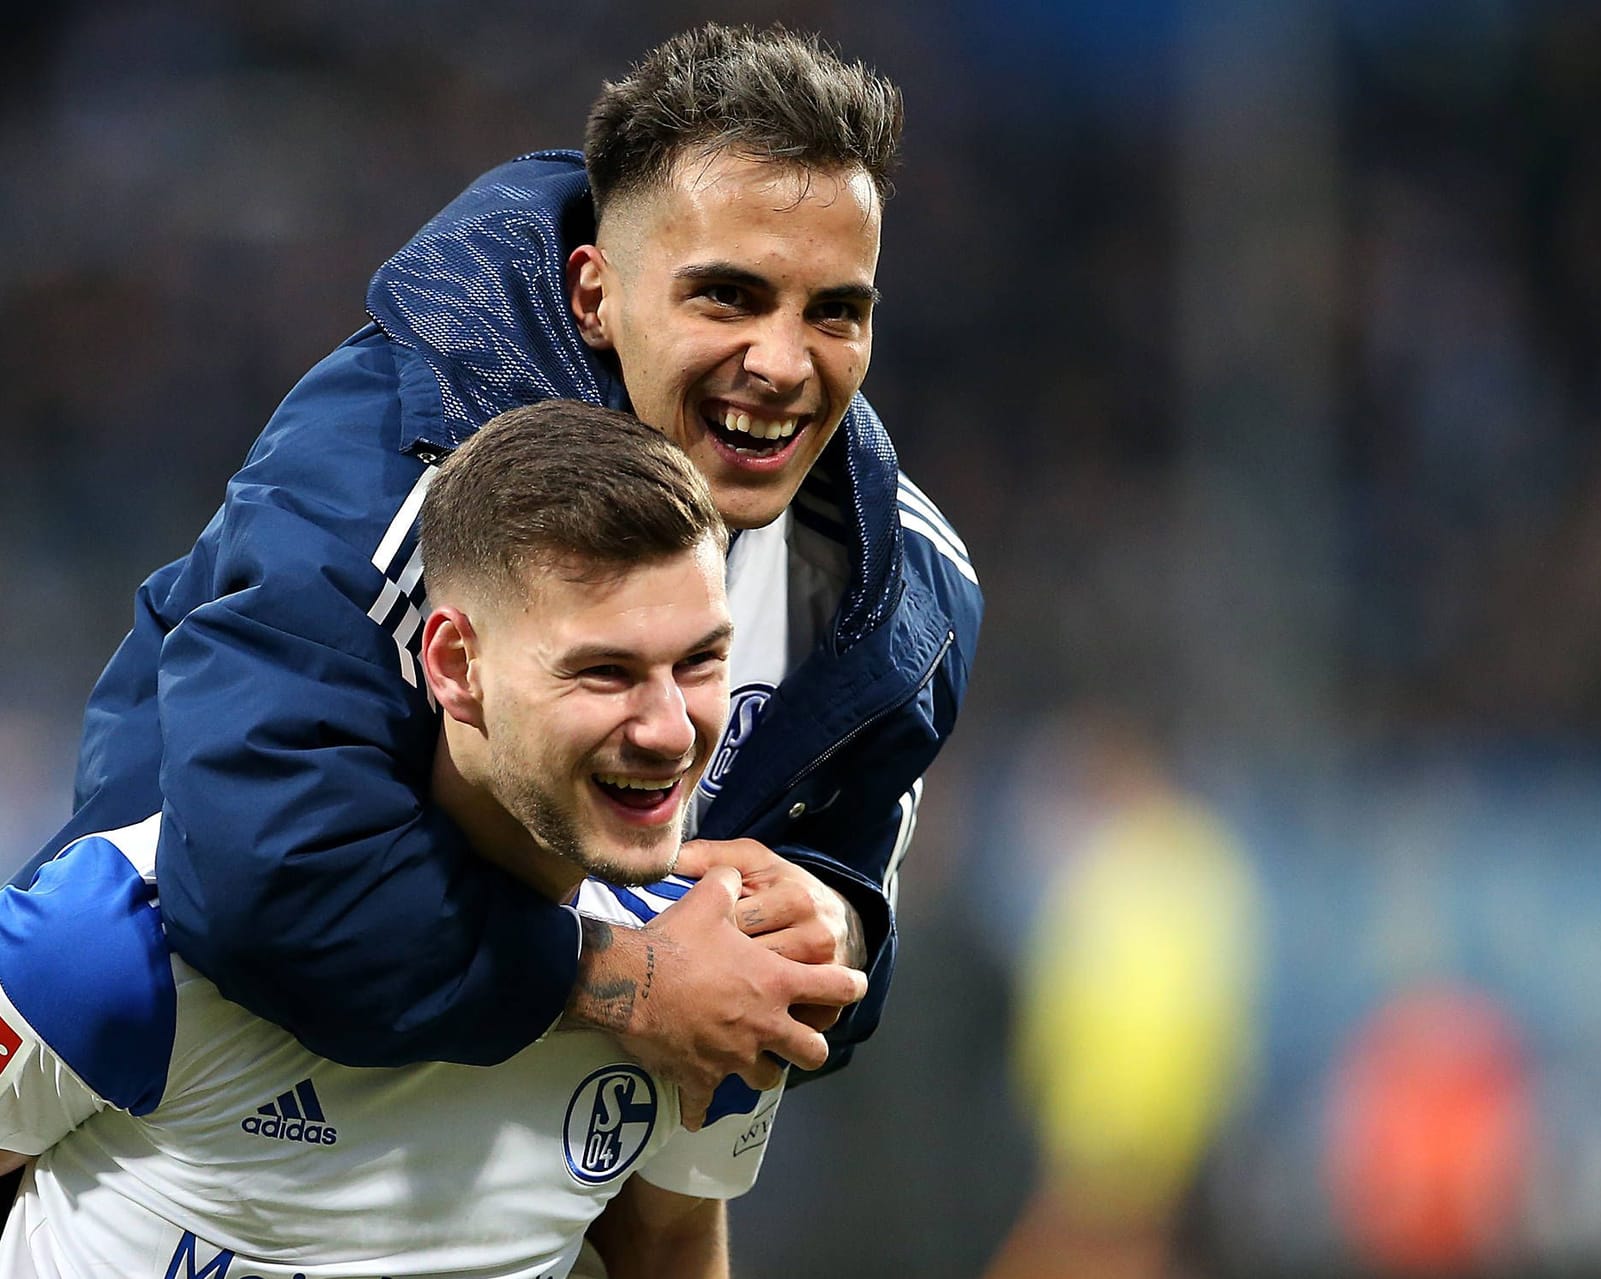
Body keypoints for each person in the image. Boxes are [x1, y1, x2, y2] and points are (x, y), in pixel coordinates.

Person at [24, 23, 982, 1118]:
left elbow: (844, 926)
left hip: (537, 1157)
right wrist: (626, 980)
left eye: (835, 313)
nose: (780, 363)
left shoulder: (902, 598)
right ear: (595, 296)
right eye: (726, 297)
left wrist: (833, 929)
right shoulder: (387, 470)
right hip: (198, 1115)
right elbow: (255, 871)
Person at [0, 401, 834, 1277]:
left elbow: (665, 1246)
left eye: (699, 661)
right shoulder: (125, 938)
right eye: (605, 671)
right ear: (454, 666)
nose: (670, 729)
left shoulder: (716, 978)